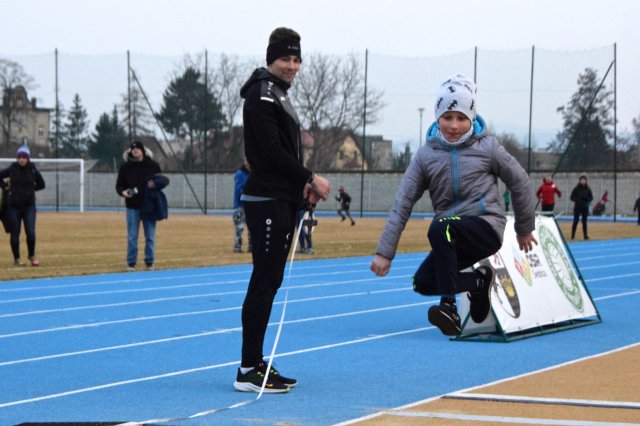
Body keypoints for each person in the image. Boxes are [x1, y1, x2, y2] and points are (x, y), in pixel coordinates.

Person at [370, 74, 537, 337]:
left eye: (461, 118)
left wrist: (524, 228)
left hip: (485, 227)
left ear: (472, 118)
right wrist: (384, 253)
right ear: (437, 117)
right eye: (447, 117)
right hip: (450, 236)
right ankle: (479, 283)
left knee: (440, 227)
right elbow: (402, 203)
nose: (454, 125)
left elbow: (520, 182)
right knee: (422, 282)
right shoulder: (426, 156)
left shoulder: (489, 147)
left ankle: (448, 306)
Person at [235, 27, 332, 393]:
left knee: (269, 282)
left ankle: (256, 361)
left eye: (296, 59)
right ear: (270, 59)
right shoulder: (261, 95)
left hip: (282, 197)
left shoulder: (279, 94)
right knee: (264, 281)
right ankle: (248, 368)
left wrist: (301, 186)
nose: (292, 65)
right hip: (266, 200)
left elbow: (283, 155)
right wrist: (310, 176)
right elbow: (272, 154)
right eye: (285, 58)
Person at [116, 140, 162, 271]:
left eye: (137, 148)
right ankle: (131, 262)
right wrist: (123, 192)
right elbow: (119, 185)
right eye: (133, 148)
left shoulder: (153, 165)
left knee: (150, 236)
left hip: (149, 206)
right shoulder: (125, 167)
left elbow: (162, 181)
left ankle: (150, 261)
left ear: (142, 150)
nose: (135, 150)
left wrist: (156, 184)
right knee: (132, 236)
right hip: (132, 206)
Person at [0, 144, 45, 266]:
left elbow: (42, 184)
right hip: (13, 206)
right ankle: (17, 259)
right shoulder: (12, 169)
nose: (21, 159)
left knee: (30, 231)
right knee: (15, 233)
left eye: (24, 157)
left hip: (29, 206)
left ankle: (32, 255)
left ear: (28, 157)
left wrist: (31, 189)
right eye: (19, 157)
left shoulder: (33, 169)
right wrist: (4, 186)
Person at [233, 161, 251, 253]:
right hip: (240, 206)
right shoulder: (240, 174)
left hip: (251, 206)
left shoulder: (253, 174)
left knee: (252, 227)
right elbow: (239, 189)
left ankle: (251, 246)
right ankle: (237, 246)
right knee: (239, 227)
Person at [569, 174, 593, 240]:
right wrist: (577, 199)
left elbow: (591, 198)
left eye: (584, 180)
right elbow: (571, 197)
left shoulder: (588, 189)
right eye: (581, 180)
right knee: (575, 221)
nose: (583, 181)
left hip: (585, 207)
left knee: (584, 222)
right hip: (577, 207)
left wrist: (586, 199)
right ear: (579, 181)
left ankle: (585, 236)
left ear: (586, 181)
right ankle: (572, 236)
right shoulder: (576, 189)